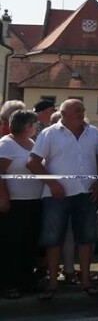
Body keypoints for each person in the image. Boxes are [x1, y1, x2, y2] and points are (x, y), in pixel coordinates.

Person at [26, 99, 98, 298]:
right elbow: (32, 162)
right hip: (56, 195)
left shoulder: (94, 132)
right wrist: (52, 183)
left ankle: (86, 282)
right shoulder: (49, 133)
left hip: (87, 193)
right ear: (64, 114)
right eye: (77, 111)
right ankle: (52, 284)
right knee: (53, 240)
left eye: (82, 110)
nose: (82, 113)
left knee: (86, 239)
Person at [0, 110, 43, 298]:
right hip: (13, 203)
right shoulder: (6, 145)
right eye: (35, 124)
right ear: (27, 126)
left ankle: (25, 281)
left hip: (32, 201)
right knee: (11, 245)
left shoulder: (32, 143)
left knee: (28, 243)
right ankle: (8, 284)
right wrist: (3, 196)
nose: (36, 127)